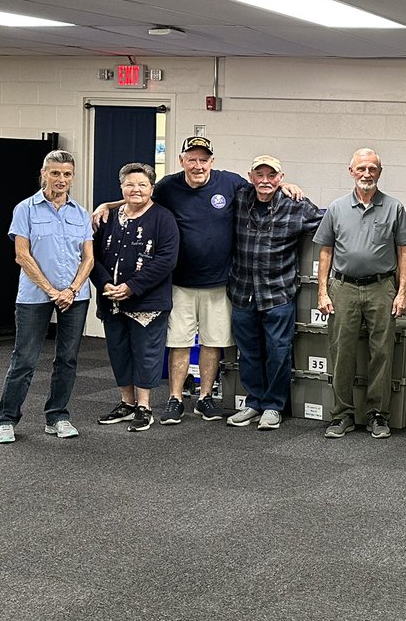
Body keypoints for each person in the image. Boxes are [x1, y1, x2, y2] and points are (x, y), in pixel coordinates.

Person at [95, 136, 304, 426]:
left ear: (212, 162)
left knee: (212, 342)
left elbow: (262, 186)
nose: (197, 165)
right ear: (181, 160)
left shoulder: (229, 183)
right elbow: (141, 194)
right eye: (191, 159)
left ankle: (206, 398)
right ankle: (175, 398)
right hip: (180, 283)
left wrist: (284, 185)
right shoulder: (169, 185)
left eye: (203, 159)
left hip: (220, 283)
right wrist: (108, 204)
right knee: (179, 342)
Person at [0, 150, 94, 444]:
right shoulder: (25, 209)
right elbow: (22, 255)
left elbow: (88, 258)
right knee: (24, 358)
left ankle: (57, 416)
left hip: (75, 295)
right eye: (55, 173)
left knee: (68, 359)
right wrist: (52, 291)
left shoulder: (80, 213)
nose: (61, 179)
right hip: (34, 294)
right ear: (43, 173)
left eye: (66, 174)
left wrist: (72, 289)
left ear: (72, 177)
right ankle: (6, 419)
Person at [314, 148, 406, 440]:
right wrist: (322, 292)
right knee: (342, 351)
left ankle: (377, 415)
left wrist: (401, 292)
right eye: (361, 169)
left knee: (382, 352)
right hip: (342, 288)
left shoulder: (394, 208)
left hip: (382, 288)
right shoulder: (337, 208)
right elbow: (325, 251)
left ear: (379, 173)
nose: (366, 174)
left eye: (372, 169)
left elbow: (404, 251)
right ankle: (341, 415)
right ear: (351, 171)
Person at [225, 155, 323, 432]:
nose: (265, 180)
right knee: (249, 351)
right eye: (260, 175)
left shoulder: (297, 205)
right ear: (251, 176)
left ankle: (273, 406)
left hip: (278, 293)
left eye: (272, 175)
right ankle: (254, 402)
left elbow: (329, 222)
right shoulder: (239, 198)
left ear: (280, 178)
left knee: (278, 352)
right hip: (243, 291)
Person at [91, 163, 180, 432]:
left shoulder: (163, 218)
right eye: (130, 184)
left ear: (152, 188)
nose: (136, 189)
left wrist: (132, 286)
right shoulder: (107, 217)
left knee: (146, 353)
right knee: (119, 352)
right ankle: (126, 403)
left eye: (142, 184)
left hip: (147, 303)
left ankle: (144, 407)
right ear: (121, 188)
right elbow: (90, 256)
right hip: (112, 300)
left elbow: (167, 260)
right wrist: (106, 283)